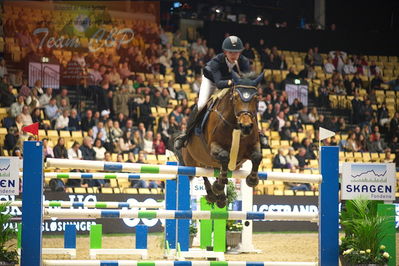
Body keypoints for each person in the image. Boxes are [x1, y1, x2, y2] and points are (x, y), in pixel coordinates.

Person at [174, 36, 250, 150]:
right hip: (212, 81)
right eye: (231, 52)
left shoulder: (244, 62)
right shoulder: (216, 62)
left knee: (247, 103)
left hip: (232, 83)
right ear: (225, 52)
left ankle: (258, 133)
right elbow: (219, 84)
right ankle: (185, 135)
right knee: (201, 105)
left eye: (237, 52)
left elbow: (247, 81)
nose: (234, 55)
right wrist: (236, 81)